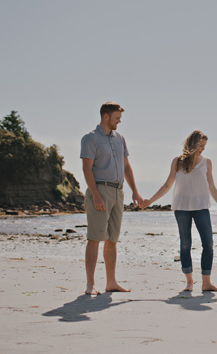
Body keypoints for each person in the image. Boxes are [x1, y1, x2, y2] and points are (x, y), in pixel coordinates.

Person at [140, 130, 217, 292]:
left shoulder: (207, 163)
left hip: (201, 207)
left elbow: (212, 187)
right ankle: (189, 282)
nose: (203, 149)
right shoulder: (177, 162)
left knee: (208, 243)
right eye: (200, 146)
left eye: (205, 146)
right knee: (185, 244)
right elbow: (167, 185)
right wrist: (150, 201)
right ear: (192, 145)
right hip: (181, 208)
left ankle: (206, 282)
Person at [80, 101, 143, 295]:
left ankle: (111, 282)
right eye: (117, 118)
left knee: (112, 239)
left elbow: (126, 167)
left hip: (118, 192)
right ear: (106, 117)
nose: (119, 122)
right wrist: (96, 195)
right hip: (100, 190)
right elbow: (87, 169)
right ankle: (90, 285)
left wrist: (135, 191)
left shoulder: (120, 139)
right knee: (94, 237)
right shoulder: (90, 138)